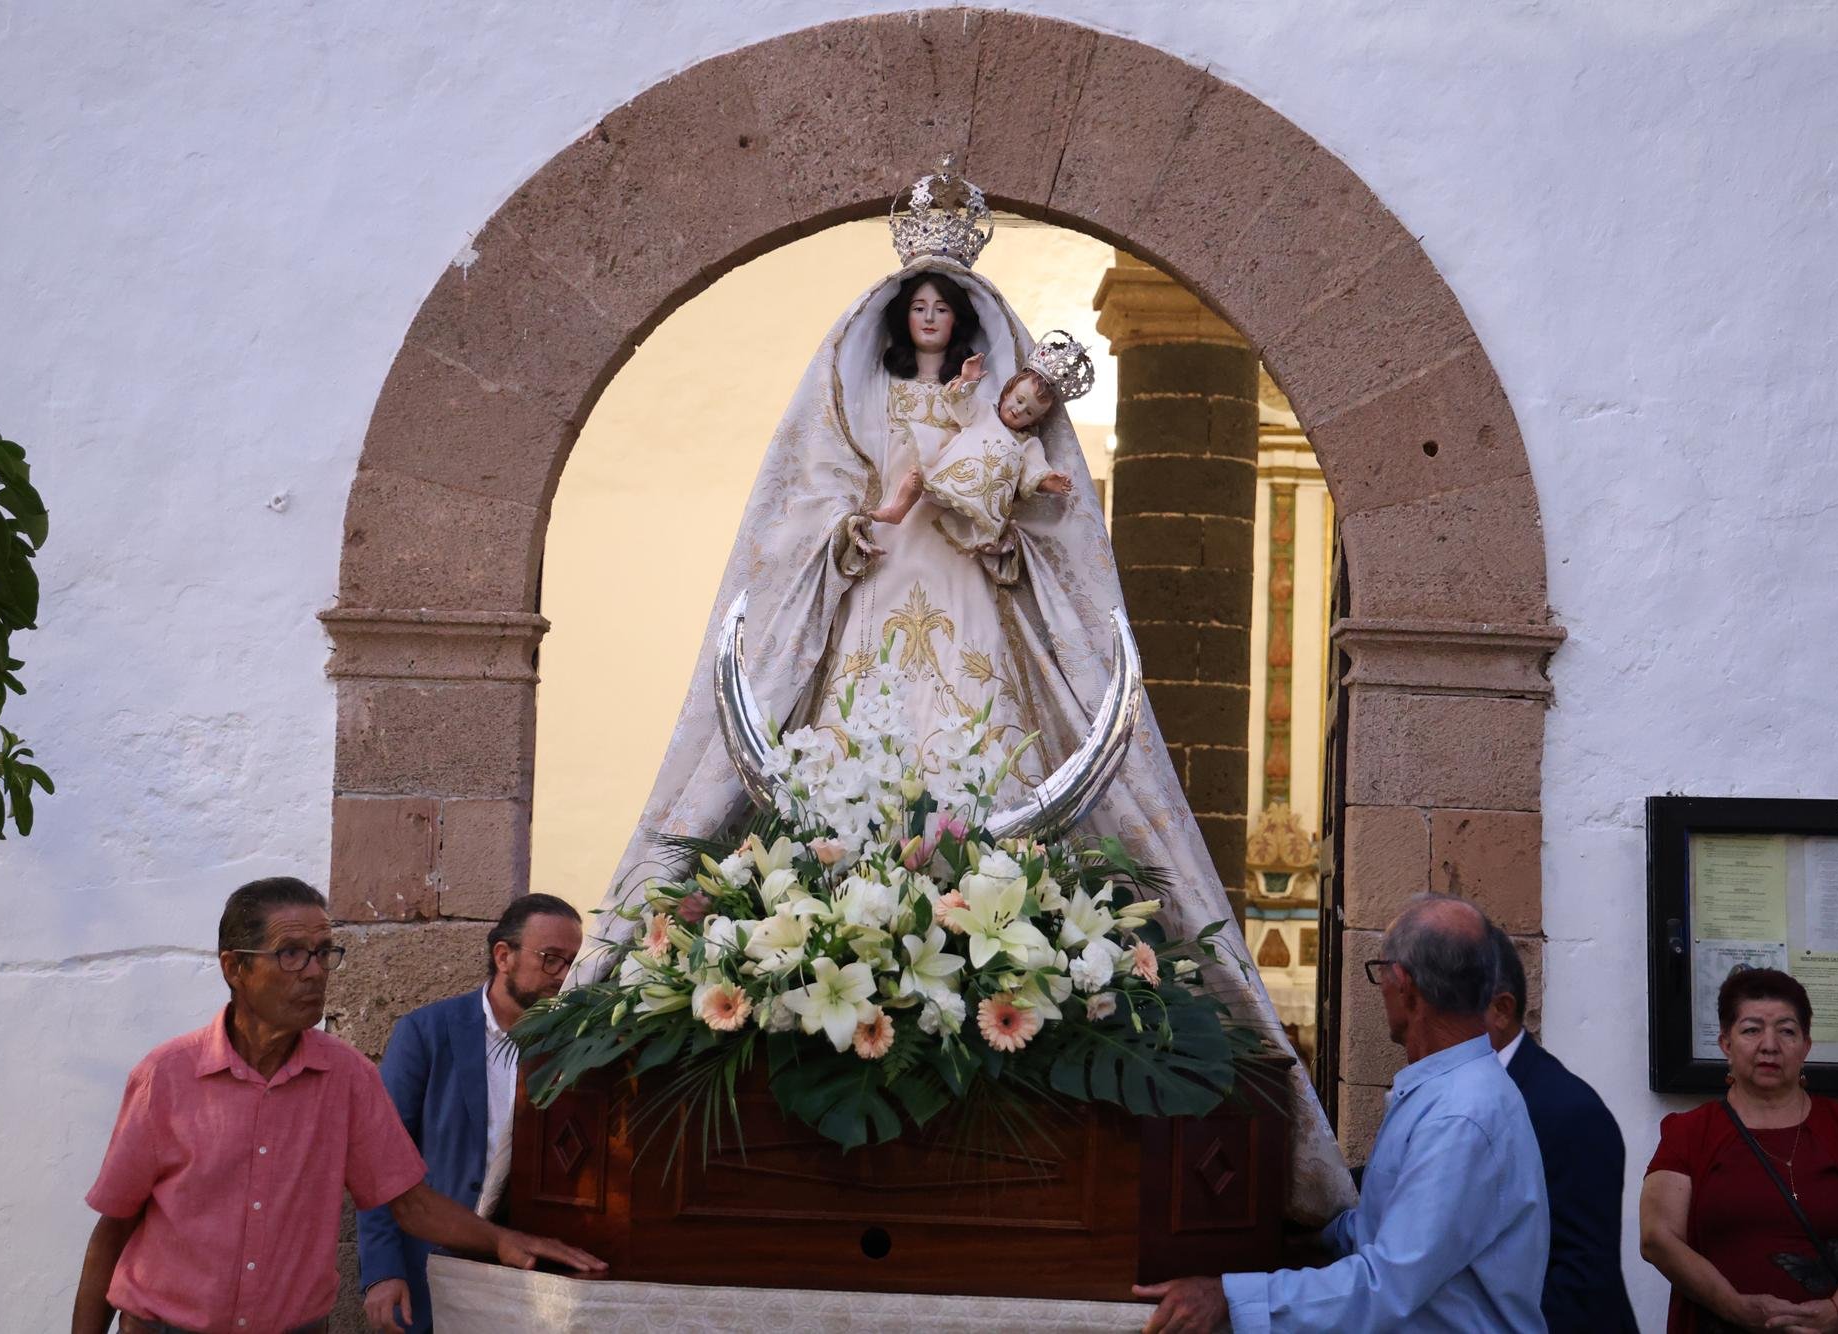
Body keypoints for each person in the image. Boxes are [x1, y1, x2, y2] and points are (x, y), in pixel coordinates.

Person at [582, 160, 1356, 1222]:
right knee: (855, 728)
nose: (935, 316)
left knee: (988, 739)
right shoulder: (866, 407)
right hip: (883, 580)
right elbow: (812, 518)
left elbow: (1043, 528)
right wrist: (852, 538)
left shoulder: (1004, 414)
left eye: (948, 304)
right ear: (903, 320)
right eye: (922, 305)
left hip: (973, 597)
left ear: (980, 332)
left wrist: (1004, 545)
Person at [71, 877, 604, 1334]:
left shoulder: (347, 1077)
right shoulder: (166, 1077)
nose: (314, 970)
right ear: (234, 967)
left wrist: (504, 1242)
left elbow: (408, 1200)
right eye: (291, 953)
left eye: (325, 952)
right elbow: (113, 1227)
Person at [1134, 895, 1549, 1333]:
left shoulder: (1461, 1114)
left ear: (1405, 985)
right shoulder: (1446, 1092)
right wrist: (1304, 1233)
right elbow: (1390, 1229)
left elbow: (1387, 1284)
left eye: (1382, 972)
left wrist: (1230, 1298)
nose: (1383, 987)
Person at [1641, 967, 1838, 1332]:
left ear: (1806, 1046)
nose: (1769, 1045)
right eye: (1752, 1030)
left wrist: (1836, 1313)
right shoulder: (1689, 1132)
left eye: (1787, 1031)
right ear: (1726, 1043)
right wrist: (1734, 1306)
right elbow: (1658, 1238)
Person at [358, 893, 586, 1334]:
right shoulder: (426, 1033)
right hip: (432, 1264)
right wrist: (383, 1271)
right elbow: (379, 1162)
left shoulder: (573, 1045)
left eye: (572, 963)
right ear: (504, 955)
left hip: (530, 1273)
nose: (563, 976)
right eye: (551, 959)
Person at [1484, 925, 1639, 1333]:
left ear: (1500, 1009)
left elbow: (1579, 1279)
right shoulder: (1455, 1093)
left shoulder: (1568, 1112)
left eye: (1445, 1002)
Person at [867, 348, 1077, 557]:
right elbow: (961, 406)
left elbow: (1035, 469)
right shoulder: (983, 411)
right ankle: (897, 510)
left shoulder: (1028, 444)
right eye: (1019, 400)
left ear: (1034, 420)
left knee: (990, 525)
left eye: (1029, 412)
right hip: (948, 478)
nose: (1019, 410)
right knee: (916, 475)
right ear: (1007, 393)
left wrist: (1049, 482)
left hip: (982, 502)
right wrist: (967, 380)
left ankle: (990, 544)